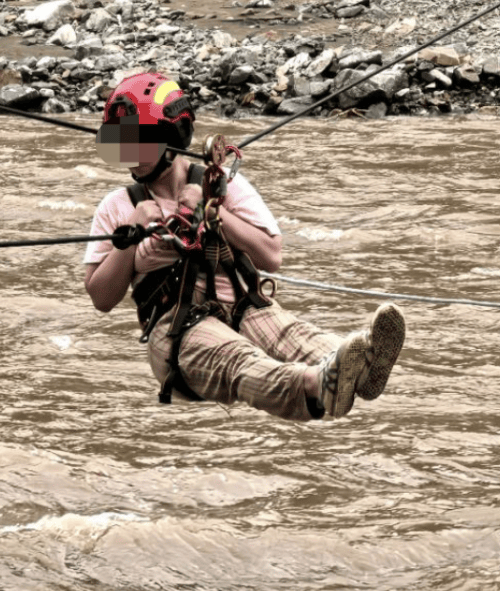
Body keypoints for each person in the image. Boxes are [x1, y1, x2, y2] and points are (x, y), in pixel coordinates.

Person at [83, 72, 406, 422]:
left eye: (137, 140)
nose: (128, 154)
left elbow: (271, 255)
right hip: (178, 329)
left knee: (295, 336)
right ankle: (318, 385)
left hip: (243, 306)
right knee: (241, 361)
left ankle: (363, 365)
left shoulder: (220, 186)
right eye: (121, 141)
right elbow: (101, 298)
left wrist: (213, 210)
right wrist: (130, 234)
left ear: (170, 137)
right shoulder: (117, 206)